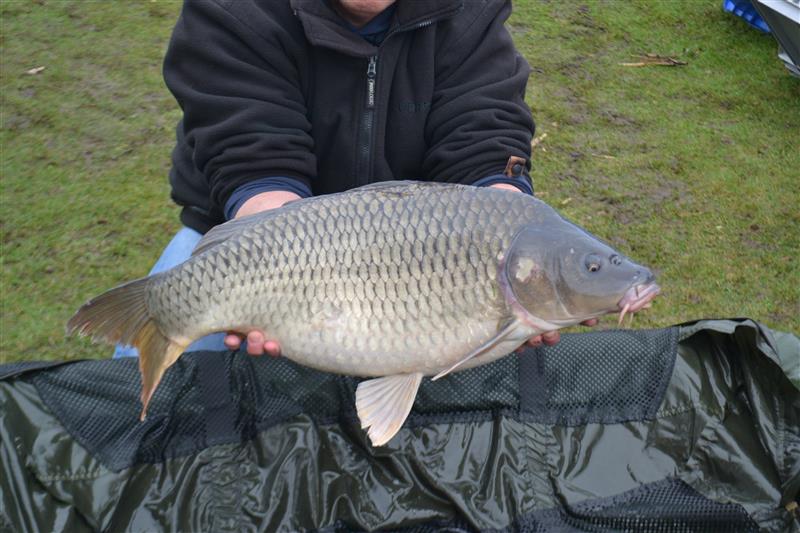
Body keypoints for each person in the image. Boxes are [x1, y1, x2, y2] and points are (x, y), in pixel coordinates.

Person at [115, 0, 595, 358]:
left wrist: (522, 253)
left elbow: (482, 136)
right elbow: (254, 157)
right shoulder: (231, 8)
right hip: (252, 236)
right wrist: (272, 279)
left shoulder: (470, 10)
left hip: (423, 250)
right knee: (150, 358)